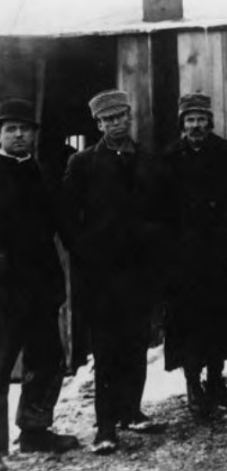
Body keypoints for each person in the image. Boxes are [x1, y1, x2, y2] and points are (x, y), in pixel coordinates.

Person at [63, 90, 173, 454]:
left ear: (130, 117)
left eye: (119, 117)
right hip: (102, 277)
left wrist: (152, 245)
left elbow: (163, 213)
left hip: (139, 273)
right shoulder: (83, 164)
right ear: (98, 124)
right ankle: (106, 427)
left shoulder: (149, 161)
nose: (114, 124)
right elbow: (68, 220)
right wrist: (86, 254)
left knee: (135, 344)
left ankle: (131, 411)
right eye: (106, 120)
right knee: (107, 350)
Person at [163, 93, 227, 417]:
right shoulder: (168, 159)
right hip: (183, 258)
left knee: (220, 319)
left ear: (210, 122)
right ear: (182, 124)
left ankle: (215, 381)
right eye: (189, 120)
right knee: (189, 323)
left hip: (219, 254)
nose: (196, 125)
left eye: (201, 119)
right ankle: (193, 385)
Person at [0, 99, 79, 468]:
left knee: (46, 360)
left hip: (42, 286)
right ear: (0, 134)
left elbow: (62, 222)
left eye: (25, 129)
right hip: (4, 290)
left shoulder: (43, 172)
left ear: (34, 134)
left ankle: (34, 431)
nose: (19, 135)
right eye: (11, 129)